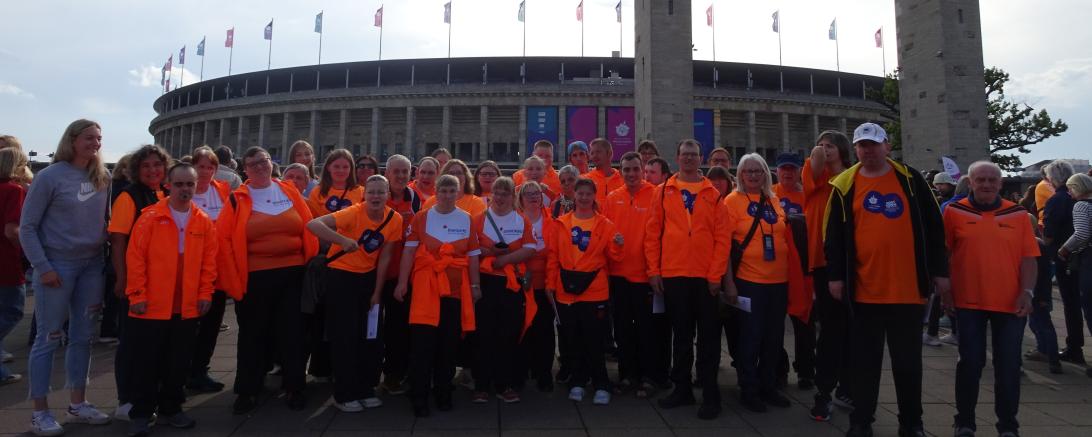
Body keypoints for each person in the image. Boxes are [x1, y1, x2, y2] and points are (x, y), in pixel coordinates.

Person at [824, 123, 948, 437]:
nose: (868, 151)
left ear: (887, 146)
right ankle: (861, 421)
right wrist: (836, 277)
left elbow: (934, 227)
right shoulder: (843, 184)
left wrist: (940, 271)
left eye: (874, 144)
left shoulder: (911, 179)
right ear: (855, 149)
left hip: (907, 290)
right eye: (862, 146)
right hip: (865, 291)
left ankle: (911, 423)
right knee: (864, 364)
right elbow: (834, 237)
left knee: (908, 364)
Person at [21, 119, 113, 435]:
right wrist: (42, 267)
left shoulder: (103, 176)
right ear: (72, 140)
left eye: (99, 138)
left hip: (91, 266)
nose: (95, 143)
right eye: (89, 137)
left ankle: (78, 402)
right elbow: (28, 227)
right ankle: (40, 412)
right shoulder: (49, 177)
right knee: (48, 338)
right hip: (57, 267)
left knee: (83, 337)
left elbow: (103, 220)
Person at [940, 161, 1038, 437]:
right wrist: (945, 291)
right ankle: (965, 422)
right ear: (970, 182)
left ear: (1000, 183)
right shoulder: (954, 212)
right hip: (968, 302)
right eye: (980, 179)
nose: (985, 184)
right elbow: (943, 255)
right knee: (969, 364)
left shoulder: (1018, 214)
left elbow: (1029, 258)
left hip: (1010, 303)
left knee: (1008, 366)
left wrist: (1027, 292)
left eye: (991, 180)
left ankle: (1008, 425)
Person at [218, 146, 318, 414]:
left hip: (293, 274)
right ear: (245, 169)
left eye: (263, 161)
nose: (260, 167)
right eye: (253, 164)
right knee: (253, 335)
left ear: (271, 163)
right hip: (254, 276)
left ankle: (295, 387)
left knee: (293, 333)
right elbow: (224, 241)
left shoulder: (289, 191)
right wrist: (233, 284)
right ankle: (247, 391)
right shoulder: (238, 198)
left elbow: (308, 225)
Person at [123, 163, 218, 436]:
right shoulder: (150, 217)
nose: (185, 189)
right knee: (146, 362)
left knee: (179, 362)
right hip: (152, 304)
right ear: (168, 185)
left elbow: (208, 262)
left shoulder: (202, 219)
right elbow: (136, 258)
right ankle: (141, 413)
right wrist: (137, 295)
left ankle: (171, 409)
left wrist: (204, 294)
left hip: (186, 305)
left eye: (190, 184)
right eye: (179, 184)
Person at [645, 139, 731, 420]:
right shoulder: (662, 192)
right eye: (685, 155)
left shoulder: (713, 194)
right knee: (681, 337)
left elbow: (722, 239)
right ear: (678, 157)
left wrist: (716, 274)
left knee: (708, 341)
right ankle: (682, 389)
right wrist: (654, 271)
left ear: (701, 158)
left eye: (695, 155)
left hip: (705, 277)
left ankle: (710, 394)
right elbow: (653, 234)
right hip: (674, 274)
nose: (690, 159)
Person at [306, 175, 402, 412]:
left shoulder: (394, 219)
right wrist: (342, 239)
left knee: (368, 336)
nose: (376, 196)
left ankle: (364, 388)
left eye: (381, 192)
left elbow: (385, 258)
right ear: (364, 195)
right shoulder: (353, 213)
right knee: (344, 336)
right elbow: (313, 224)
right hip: (341, 277)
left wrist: (378, 292)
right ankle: (344, 393)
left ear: (388, 195)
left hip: (367, 278)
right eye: (371, 192)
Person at [395, 174, 481, 417]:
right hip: (425, 291)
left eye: (451, 190)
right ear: (436, 191)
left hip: (454, 291)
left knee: (448, 345)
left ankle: (444, 392)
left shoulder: (466, 219)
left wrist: (475, 286)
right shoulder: (422, 217)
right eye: (442, 190)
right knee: (422, 346)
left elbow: (473, 257)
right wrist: (402, 283)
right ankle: (419, 396)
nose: (446, 195)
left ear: (458, 192)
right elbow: (408, 254)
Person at [724, 153, 798, 412]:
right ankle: (749, 388)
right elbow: (724, 247)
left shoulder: (773, 200)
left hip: (778, 281)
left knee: (773, 338)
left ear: (766, 173)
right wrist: (729, 284)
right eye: (748, 171)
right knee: (751, 338)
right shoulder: (732, 202)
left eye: (758, 171)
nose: (753, 175)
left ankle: (769, 386)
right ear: (741, 175)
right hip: (749, 281)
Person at [548, 178, 625, 405]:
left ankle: (601, 382)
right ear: (574, 195)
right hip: (566, 290)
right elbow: (553, 257)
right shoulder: (561, 223)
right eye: (579, 193)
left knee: (594, 339)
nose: (583, 198)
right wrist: (550, 285)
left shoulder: (605, 224)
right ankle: (579, 381)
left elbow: (614, 259)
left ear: (594, 197)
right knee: (573, 339)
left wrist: (618, 245)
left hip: (595, 290)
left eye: (587, 194)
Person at [109, 144, 170, 421]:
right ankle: (126, 399)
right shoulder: (129, 196)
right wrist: (122, 279)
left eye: (157, 164)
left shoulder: (166, 194)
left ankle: (150, 395)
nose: (152, 170)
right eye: (146, 166)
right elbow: (118, 240)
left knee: (156, 344)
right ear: (136, 170)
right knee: (132, 343)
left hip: (163, 282)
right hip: (137, 282)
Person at [603, 152, 665, 397]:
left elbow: (658, 236)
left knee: (646, 329)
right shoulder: (612, 197)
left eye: (635, 169)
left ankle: (649, 376)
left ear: (642, 170)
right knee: (622, 329)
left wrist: (654, 271)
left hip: (644, 276)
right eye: (626, 169)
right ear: (621, 170)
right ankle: (627, 375)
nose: (630, 174)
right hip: (618, 275)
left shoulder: (655, 195)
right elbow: (605, 234)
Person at [471, 177, 536, 403]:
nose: (500, 198)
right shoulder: (479, 219)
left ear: (512, 197)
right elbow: (471, 249)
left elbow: (530, 248)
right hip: (487, 282)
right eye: (497, 193)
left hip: (511, 284)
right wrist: (489, 253)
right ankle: (481, 384)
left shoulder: (521, 220)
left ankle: (504, 383)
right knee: (484, 334)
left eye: (505, 194)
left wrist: (504, 258)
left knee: (508, 334)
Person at [804, 130, 855, 422]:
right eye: (821, 145)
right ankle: (823, 392)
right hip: (824, 261)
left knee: (853, 330)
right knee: (831, 330)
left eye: (831, 145)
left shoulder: (854, 177)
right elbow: (813, 165)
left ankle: (848, 386)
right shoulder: (816, 175)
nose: (825, 150)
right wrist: (818, 151)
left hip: (855, 264)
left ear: (843, 150)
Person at [185, 146, 234, 394]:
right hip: (188, 270)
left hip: (217, 270)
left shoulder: (223, 191)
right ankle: (181, 371)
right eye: (201, 166)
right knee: (187, 325)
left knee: (212, 324)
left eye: (210, 167)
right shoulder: (182, 193)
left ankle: (200, 371)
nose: (205, 171)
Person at [378, 154, 424, 396]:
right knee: (372, 327)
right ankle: (367, 372)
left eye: (405, 172)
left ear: (411, 174)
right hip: (373, 273)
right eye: (395, 171)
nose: (400, 176)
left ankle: (395, 374)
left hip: (401, 275)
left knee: (398, 327)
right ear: (387, 173)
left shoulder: (415, 200)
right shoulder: (375, 196)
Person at [771, 152, 814, 390]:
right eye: (783, 168)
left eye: (792, 168)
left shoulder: (809, 194)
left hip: (804, 269)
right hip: (776, 267)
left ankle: (806, 370)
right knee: (775, 324)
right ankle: (779, 368)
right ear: (777, 170)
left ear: (799, 170)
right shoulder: (770, 194)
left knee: (804, 323)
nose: (787, 173)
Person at [514, 181, 557, 392]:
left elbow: (555, 254)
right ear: (520, 199)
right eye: (528, 194)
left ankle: (544, 374)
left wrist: (551, 283)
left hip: (544, 284)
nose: (533, 197)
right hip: (521, 283)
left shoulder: (553, 221)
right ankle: (520, 372)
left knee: (545, 331)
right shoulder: (515, 221)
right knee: (522, 330)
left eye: (536, 193)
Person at [1042, 161, 1085, 365]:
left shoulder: (1056, 200)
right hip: (1083, 257)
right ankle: (1075, 345)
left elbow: (1049, 235)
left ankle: (1074, 347)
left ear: (1052, 179)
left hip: (1064, 256)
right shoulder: (1079, 199)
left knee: (1071, 304)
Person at [1058, 172, 1092, 375]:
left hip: (1089, 259)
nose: (1069, 193)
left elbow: (1082, 234)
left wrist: (1064, 249)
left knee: (1090, 308)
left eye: (1070, 188)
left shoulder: (1081, 206)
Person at [0, 148, 27, 386]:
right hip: (6, 259)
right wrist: (27, 250)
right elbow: (12, 230)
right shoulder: (13, 190)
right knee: (13, 309)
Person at [307, 149, 363, 219]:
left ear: (351, 169)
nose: (341, 170)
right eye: (336, 166)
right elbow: (312, 220)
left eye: (345, 167)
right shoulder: (317, 192)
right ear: (328, 167)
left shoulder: (361, 192)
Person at [422, 159, 488, 216]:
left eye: (459, 173)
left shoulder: (477, 203)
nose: (455, 176)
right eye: (451, 173)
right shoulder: (430, 202)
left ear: (466, 177)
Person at [584, 138, 624, 206]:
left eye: (598, 152)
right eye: (592, 153)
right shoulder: (585, 180)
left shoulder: (623, 178)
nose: (594, 156)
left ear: (609, 153)